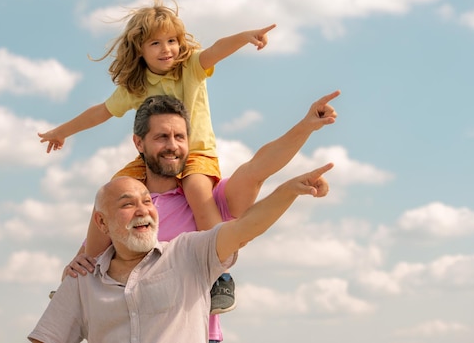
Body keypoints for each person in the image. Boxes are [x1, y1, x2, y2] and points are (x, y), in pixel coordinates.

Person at [37, 0, 276, 313]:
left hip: (195, 152)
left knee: (196, 190)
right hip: (153, 155)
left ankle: (222, 276)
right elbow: (101, 112)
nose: (167, 49)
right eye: (156, 43)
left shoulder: (191, 66)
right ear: (140, 50)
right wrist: (62, 131)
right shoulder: (137, 85)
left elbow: (216, 50)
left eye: (172, 41)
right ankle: (81, 273)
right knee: (111, 191)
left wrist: (244, 36)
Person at [52, 91, 340, 342]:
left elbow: (257, 169)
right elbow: (86, 271)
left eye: (180, 137)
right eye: (161, 137)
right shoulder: (122, 207)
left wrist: (305, 127)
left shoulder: (208, 199)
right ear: (138, 143)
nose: (173, 145)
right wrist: (76, 264)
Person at [28, 167, 333, 343]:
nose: (143, 210)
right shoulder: (82, 279)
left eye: (147, 201)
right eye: (127, 204)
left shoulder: (190, 252)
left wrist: (289, 190)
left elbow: (246, 228)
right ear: (102, 222)